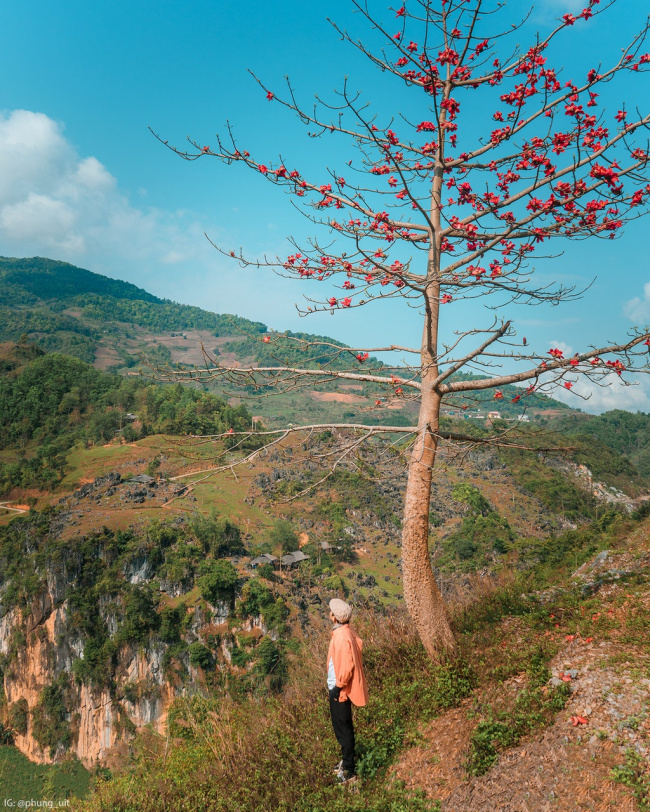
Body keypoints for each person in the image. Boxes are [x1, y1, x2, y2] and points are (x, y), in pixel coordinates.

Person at [326, 598, 368, 784]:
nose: (329, 614)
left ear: (334, 617)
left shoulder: (341, 637)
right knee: (344, 727)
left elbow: (347, 666)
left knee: (343, 729)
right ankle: (346, 761)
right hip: (340, 688)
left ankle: (349, 770)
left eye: (331, 612)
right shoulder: (345, 632)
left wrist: (337, 687)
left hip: (340, 690)